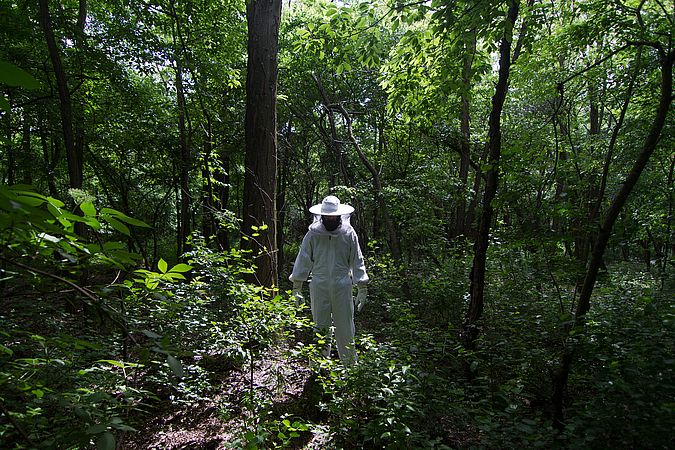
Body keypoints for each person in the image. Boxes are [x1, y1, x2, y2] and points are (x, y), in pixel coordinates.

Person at [289, 195, 369, 365]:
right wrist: (297, 287)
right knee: (320, 326)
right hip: (319, 284)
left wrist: (362, 287)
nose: (330, 219)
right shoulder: (313, 234)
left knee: (345, 327)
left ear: (339, 215)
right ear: (322, 216)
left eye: (333, 216)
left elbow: (357, 259)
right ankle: (317, 369)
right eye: (327, 216)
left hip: (342, 284)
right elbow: (303, 259)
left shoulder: (349, 234)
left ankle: (350, 368)